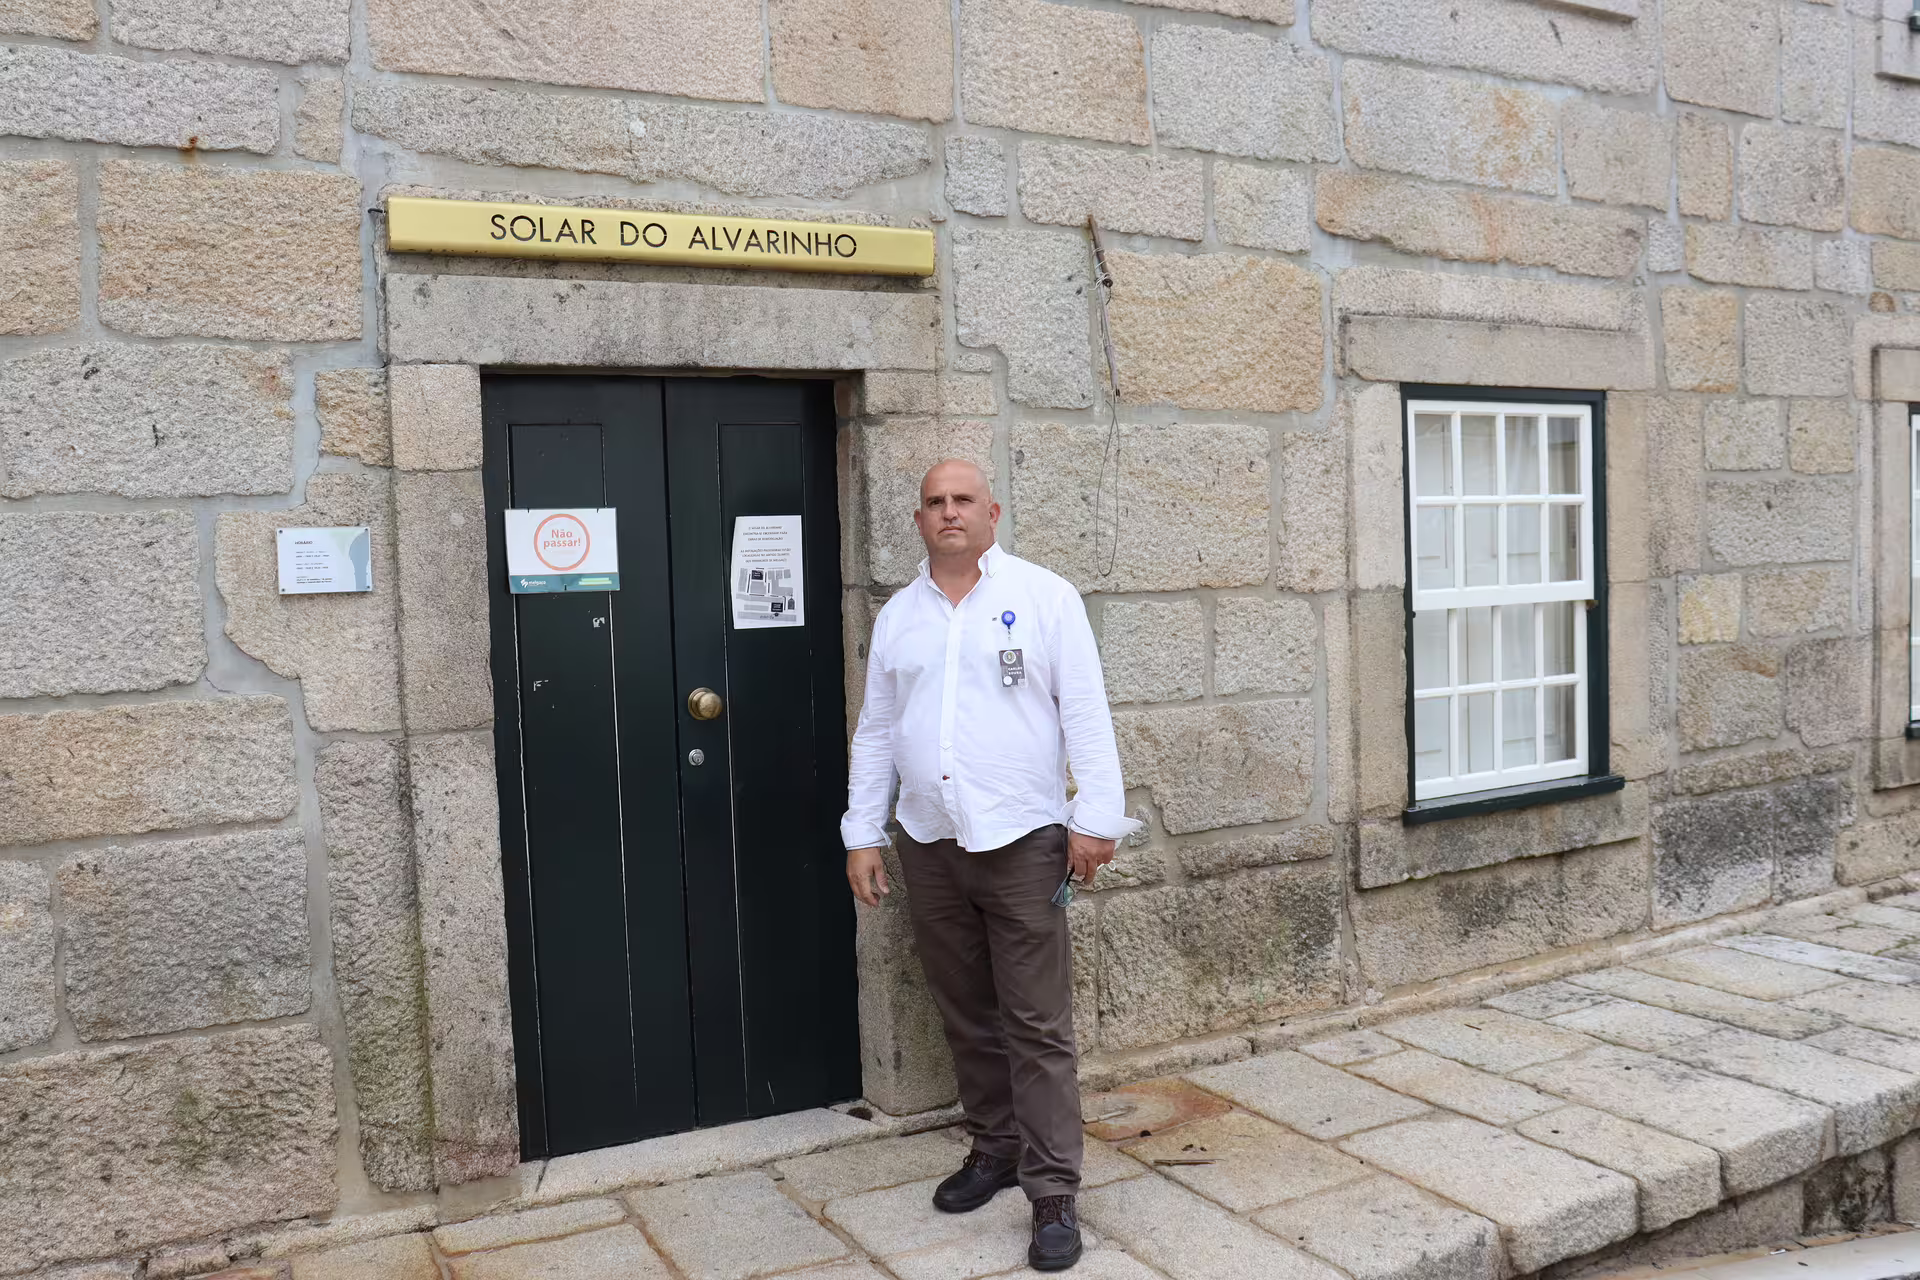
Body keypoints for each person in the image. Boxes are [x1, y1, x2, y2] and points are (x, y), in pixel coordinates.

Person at [842, 459, 1138, 1273]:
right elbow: (876, 733)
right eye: (935, 502)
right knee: (966, 1009)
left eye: (963, 500)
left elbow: (1083, 711)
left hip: (1024, 841)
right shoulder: (902, 616)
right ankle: (997, 1146)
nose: (949, 513)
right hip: (930, 844)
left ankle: (1052, 1192)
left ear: (992, 512)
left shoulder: (1044, 598)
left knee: (1037, 1023)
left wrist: (1096, 819)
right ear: (919, 519)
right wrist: (862, 834)